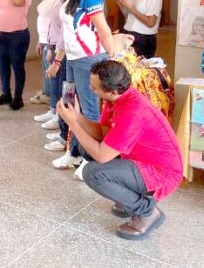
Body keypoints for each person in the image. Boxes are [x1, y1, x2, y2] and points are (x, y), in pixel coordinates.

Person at [56, 60, 182, 240]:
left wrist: (72, 124)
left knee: (93, 173)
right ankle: (129, 198)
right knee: (87, 147)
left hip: (161, 173)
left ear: (113, 91)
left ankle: (147, 212)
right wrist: (78, 116)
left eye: (94, 87)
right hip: (139, 159)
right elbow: (103, 133)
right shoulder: (116, 98)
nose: (90, 89)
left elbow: (102, 155)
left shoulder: (132, 112)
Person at [46, 0, 116, 177]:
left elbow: (104, 31)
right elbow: (68, 34)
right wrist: (58, 59)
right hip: (72, 61)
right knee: (68, 105)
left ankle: (90, 157)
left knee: (88, 110)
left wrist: (114, 58)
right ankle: (74, 152)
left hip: (89, 61)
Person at [41, 0, 72, 152]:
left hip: (70, 57)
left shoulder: (80, 0)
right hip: (62, 53)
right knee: (63, 93)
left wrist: (57, 57)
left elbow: (66, 34)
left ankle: (67, 138)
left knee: (67, 95)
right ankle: (63, 131)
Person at [32, 0, 66, 119]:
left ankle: (55, 111)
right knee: (50, 77)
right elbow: (45, 19)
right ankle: (52, 108)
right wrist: (41, 39)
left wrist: (52, 46)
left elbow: (58, 24)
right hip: (46, 40)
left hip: (54, 43)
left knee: (55, 78)